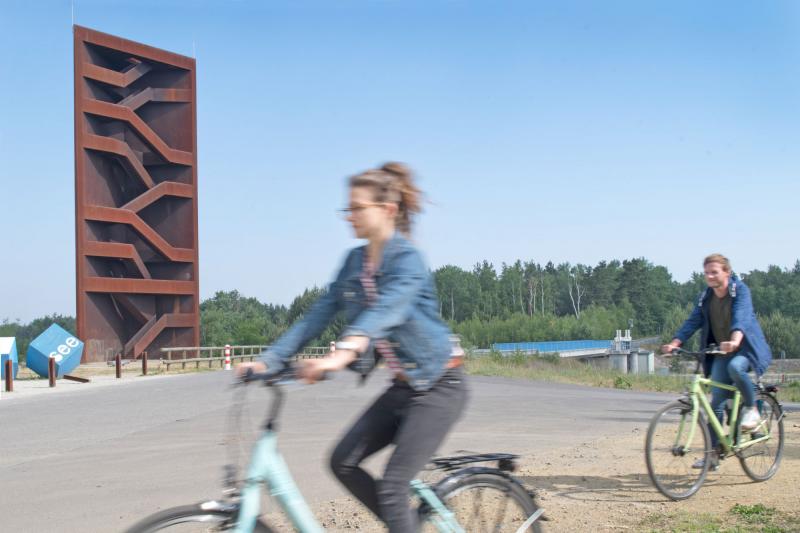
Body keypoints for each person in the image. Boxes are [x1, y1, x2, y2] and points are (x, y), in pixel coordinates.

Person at [238, 162, 468, 533]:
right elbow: (316, 316)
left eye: (358, 208)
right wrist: (270, 360)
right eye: (348, 208)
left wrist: (339, 355)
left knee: (393, 486)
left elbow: (384, 311)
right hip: (404, 387)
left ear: (387, 210)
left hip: (440, 386)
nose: (350, 217)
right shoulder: (353, 263)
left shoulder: (408, 260)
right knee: (342, 462)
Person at [662, 253, 772, 469]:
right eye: (706, 273)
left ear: (727, 273)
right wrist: (675, 342)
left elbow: (742, 316)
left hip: (747, 350)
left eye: (714, 272)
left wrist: (735, 339)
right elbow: (693, 321)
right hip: (722, 352)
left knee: (735, 367)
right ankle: (713, 454)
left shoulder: (740, 291)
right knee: (716, 406)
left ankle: (752, 409)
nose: (710, 276)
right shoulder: (706, 297)